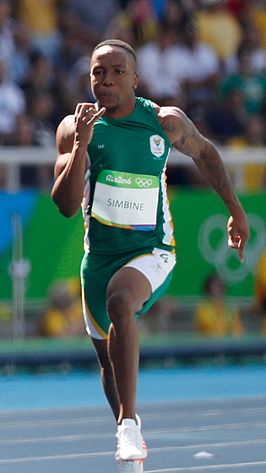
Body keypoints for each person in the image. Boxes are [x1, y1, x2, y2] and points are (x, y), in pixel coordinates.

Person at [51, 39, 250, 472]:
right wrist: (81, 146)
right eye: (97, 73)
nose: (105, 80)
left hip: (151, 251)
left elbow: (207, 153)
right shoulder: (74, 126)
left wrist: (235, 210)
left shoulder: (164, 121)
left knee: (121, 301)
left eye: (116, 72)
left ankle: (126, 423)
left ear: (135, 79)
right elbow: (66, 206)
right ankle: (130, 433)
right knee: (107, 358)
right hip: (98, 256)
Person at [195, 273, 244, 337]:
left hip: (228, 344)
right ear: (208, 288)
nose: (218, 288)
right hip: (207, 345)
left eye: (221, 285)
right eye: (215, 285)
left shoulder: (230, 308)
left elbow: (237, 329)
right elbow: (211, 328)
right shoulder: (202, 308)